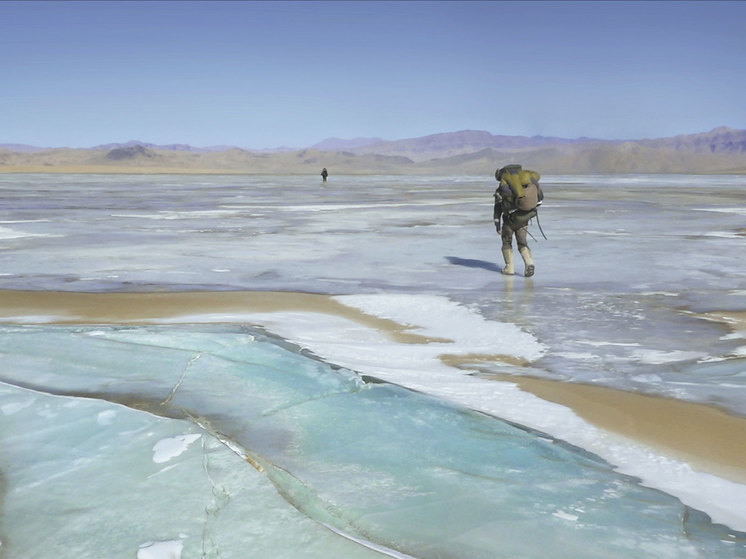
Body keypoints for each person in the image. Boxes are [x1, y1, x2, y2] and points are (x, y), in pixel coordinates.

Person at [493, 164, 543, 277]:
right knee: (522, 243)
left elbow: (497, 208)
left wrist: (497, 224)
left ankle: (509, 268)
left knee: (506, 242)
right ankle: (529, 262)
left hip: (509, 221)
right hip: (523, 218)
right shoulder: (526, 184)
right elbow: (539, 199)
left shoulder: (502, 189)